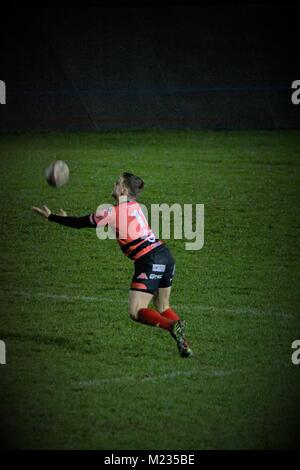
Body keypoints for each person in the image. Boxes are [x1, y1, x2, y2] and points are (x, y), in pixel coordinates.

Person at [32, 172, 193, 357]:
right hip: (165, 255)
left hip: (149, 260)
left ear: (123, 189)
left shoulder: (110, 213)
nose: (114, 185)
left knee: (136, 310)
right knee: (163, 306)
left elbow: (80, 223)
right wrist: (66, 218)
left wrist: (52, 217)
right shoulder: (135, 206)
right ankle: (184, 344)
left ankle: (172, 326)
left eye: (117, 183)